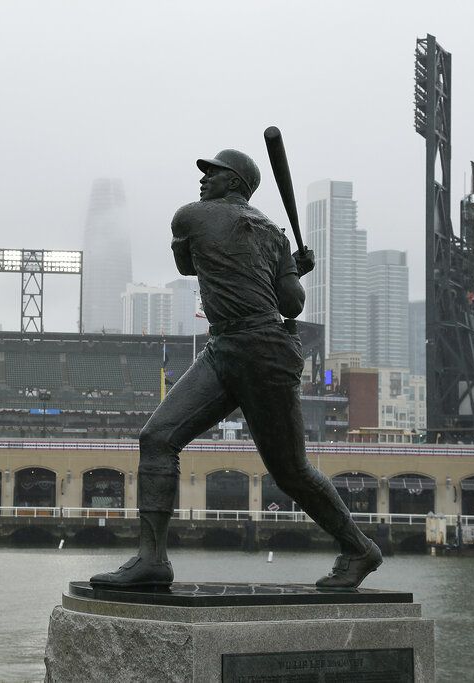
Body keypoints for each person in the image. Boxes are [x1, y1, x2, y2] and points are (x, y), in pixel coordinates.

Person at [90, 149, 381, 590]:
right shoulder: (275, 236)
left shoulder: (192, 217)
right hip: (228, 346)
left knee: (291, 471)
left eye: (214, 174)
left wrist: (283, 269)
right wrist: (293, 269)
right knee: (158, 438)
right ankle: (152, 560)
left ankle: (360, 548)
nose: (204, 179)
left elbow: (186, 264)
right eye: (205, 174)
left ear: (237, 182)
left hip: (261, 350)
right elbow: (292, 302)